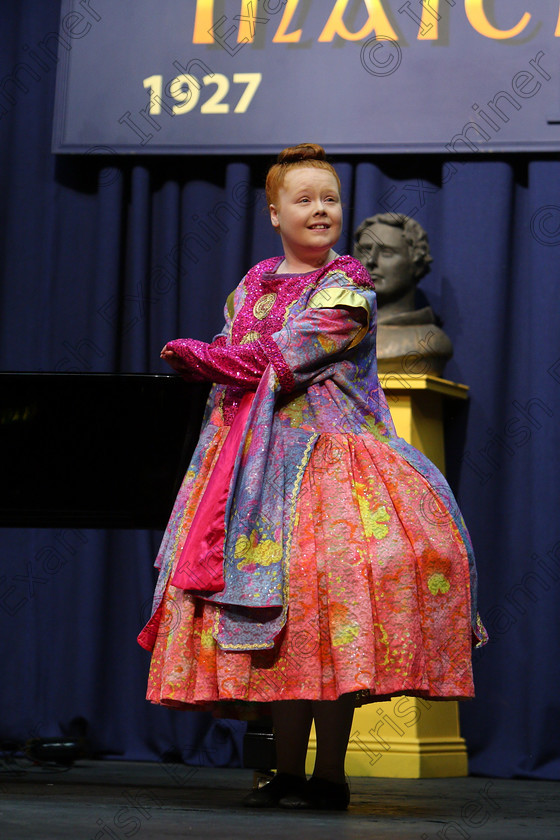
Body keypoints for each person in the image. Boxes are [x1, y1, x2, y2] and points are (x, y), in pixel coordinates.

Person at [138, 144, 486, 811]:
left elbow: (284, 357)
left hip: (334, 468)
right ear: (275, 213)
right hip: (258, 473)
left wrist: (204, 356)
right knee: (287, 621)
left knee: (338, 612)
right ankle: (287, 770)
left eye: (329, 198)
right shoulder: (252, 284)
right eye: (305, 199)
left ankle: (330, 773)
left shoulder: (347, 287)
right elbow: (242, 363)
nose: (320, 209)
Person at [354, 213, 453, 375]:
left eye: (387, 253)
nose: (371, 260)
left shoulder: (428, 342)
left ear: (417, 262)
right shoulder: (340, 334)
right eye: (365, 251)